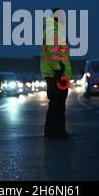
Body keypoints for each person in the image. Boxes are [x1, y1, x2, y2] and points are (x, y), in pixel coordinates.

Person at [40, 8, 73, 139]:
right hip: (57, 73)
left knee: (55, 103)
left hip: (53, 72)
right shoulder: (54, 32)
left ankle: (51, 131)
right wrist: (59, 70)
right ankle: (58, 131)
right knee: (58, 104)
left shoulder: (52, 31)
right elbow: (53, 54)